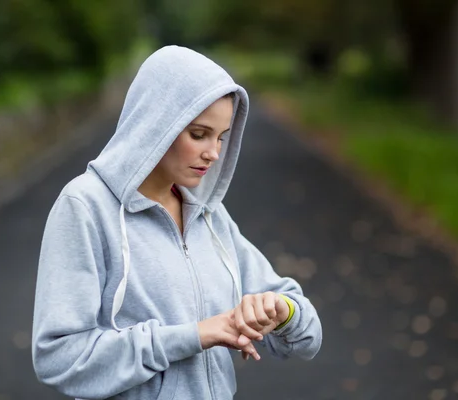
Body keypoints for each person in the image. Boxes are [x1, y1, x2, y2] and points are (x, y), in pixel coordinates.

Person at [32, 45, 322, 400]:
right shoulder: (85, 206)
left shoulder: (208, 215)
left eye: (221, 137)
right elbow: (59, 357)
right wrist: (194, 335)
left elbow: (306, 340)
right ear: (157, 123)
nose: (213, 153)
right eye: (199, 134)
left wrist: (282, 310)